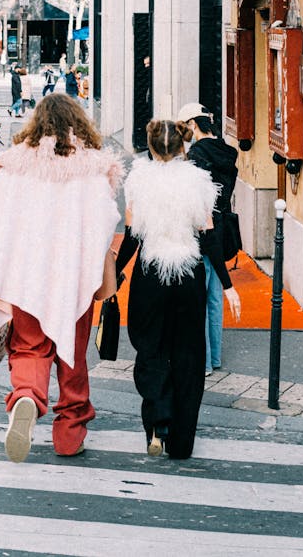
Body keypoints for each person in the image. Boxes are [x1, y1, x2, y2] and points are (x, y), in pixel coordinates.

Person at [0, 94, 121, 461]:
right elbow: (105, 221)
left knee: (28, 348)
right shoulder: (93, 168)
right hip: (73, 276)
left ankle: (26, 396)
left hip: (25, 276)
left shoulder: (14, 167)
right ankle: (70, 432)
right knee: (72, 355)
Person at [114, 118, 240, 460]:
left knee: (150, 349)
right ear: (183, 146)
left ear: (152, 146)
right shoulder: (198, 181)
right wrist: (228, 286)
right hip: (188, 275)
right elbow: (209, 237)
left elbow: (131, 238)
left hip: (150, 273)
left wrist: (113, 272)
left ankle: (158, 418)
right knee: (188, 355)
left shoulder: (138, 179)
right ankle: (182, 442)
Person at [177, 102, 239, 376]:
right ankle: (214, 356)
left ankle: (201, 361)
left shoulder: (197, 155)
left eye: (184, 127)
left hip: (202, 226)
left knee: (199, 295)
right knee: (214, 295)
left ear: (192, 124)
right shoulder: (228, 151)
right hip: (223, 225)